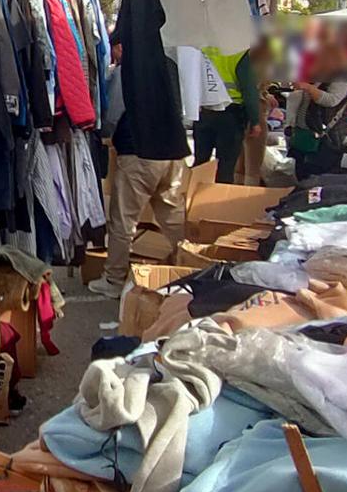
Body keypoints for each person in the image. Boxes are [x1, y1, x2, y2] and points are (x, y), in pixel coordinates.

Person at [89, 43, 187, 300]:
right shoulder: (170, 65)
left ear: (122, 46)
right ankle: (188, 264)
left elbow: (112, 113)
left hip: (138, 152)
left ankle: (113, 279)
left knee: (123, 220)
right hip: (173, 152)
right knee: (172, 216)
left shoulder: (128, 70)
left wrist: (104, 133)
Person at [194, 45, 264, 184]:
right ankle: (219, 201)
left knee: (200, 162)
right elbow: (248, 89)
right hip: (230, 115)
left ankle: (193, 196)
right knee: (225, 165)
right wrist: (255, 120)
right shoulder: (238, 54)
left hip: (204, 112)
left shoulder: (202, 51)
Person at [285, 41, 347, 179]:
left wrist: (308, 88)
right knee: (302, 171)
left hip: (326, 139)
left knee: (319, 175)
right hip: (306, 135)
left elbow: (331, 101)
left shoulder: (340, 79)